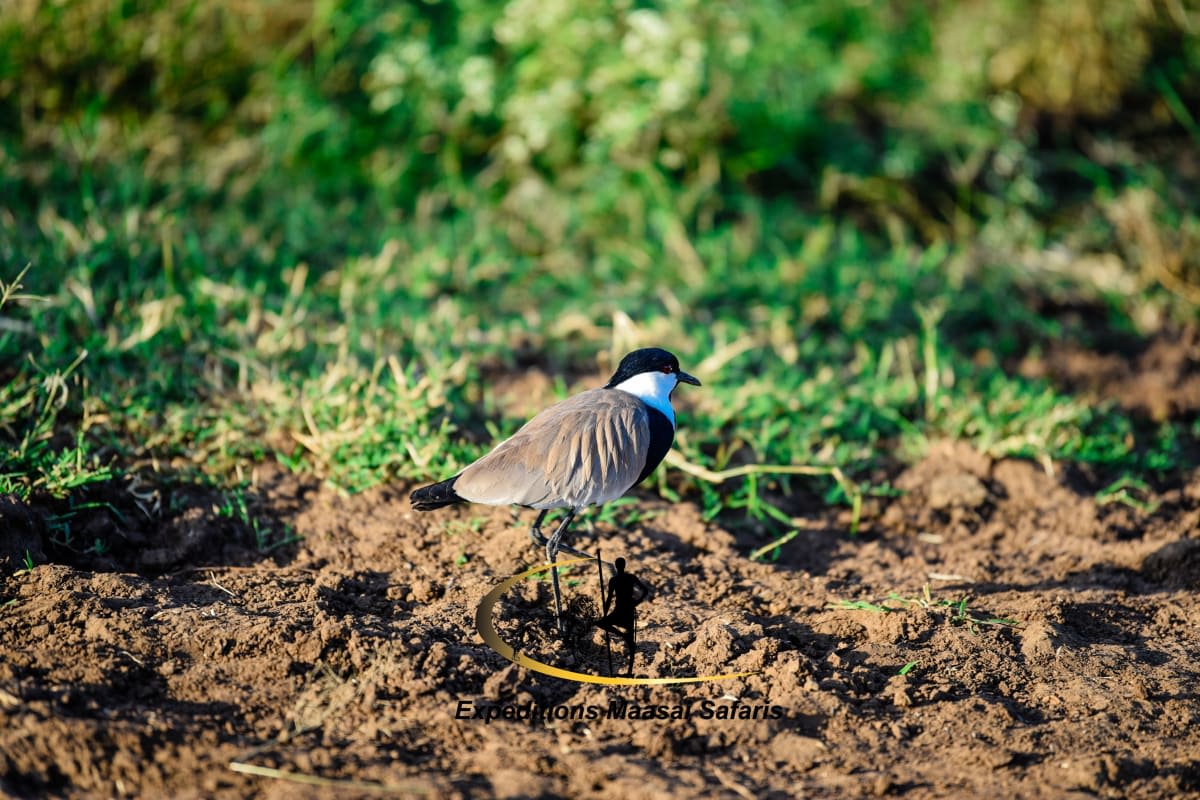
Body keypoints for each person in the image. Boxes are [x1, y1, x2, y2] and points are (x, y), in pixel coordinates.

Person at [595, 557, 650, 677]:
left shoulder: (614, 580)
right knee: (629, 640)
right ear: (624, 565)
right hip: (626, 609)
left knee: (602, 623)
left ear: (616, 566)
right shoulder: (630, 577)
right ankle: (624, 637)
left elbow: (609, 598)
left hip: (621, 609)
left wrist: (605, 611)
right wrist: (636, 603)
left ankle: (629, 672)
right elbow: (645, 591)